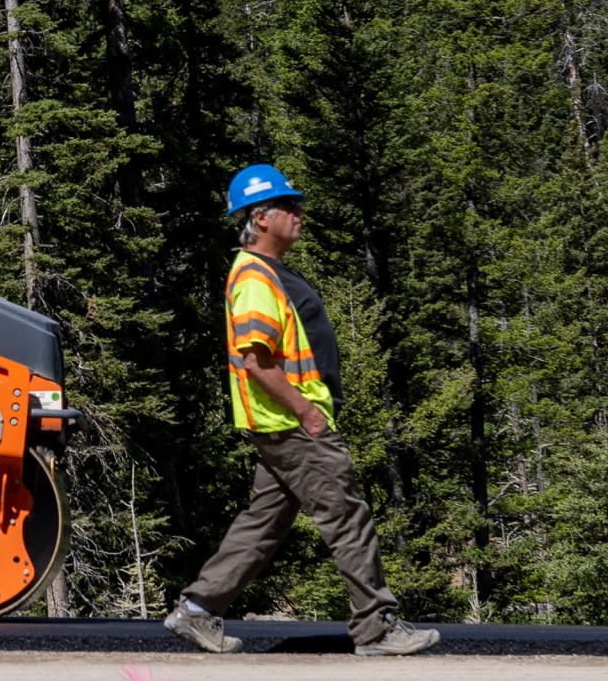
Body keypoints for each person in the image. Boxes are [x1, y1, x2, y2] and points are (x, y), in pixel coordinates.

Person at [163, 163, 440, 658]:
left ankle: (198, 610)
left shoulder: (270, 272)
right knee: (347, 515)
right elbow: (255, 360)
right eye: (289, 205)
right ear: (261, 217)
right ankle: (377, 629)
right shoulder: (253, 278)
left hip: (282, 425)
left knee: (265, 521)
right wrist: (306, 412)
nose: (299, 212)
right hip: (292, 424)